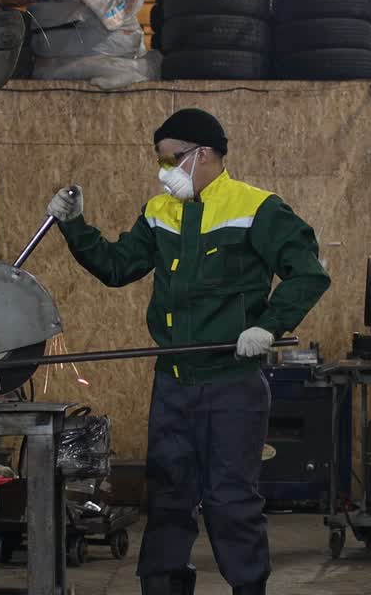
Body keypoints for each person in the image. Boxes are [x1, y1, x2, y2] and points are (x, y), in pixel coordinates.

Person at [46, 107, 331, 595]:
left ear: (205, 154)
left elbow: (308, 273)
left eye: (173, 159)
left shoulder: (257, 208)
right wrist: (75, 226)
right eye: (160, 160)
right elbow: (117, 267)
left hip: (233, 383)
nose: (165, 172)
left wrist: (268, 325)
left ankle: (247, 588)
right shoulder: (160, 213)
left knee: (230, 499)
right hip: (174, 381)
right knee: (169, 498)